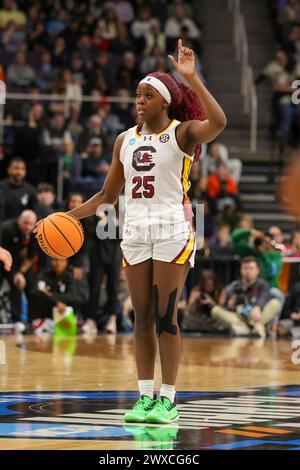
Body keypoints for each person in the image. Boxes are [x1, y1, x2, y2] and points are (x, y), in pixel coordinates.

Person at [34, 39, 226, 424]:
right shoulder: (125, 139)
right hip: (135, 232)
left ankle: (168, 400)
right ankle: (143, 398)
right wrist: (67, 217)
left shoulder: (183, 132)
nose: (139, 101)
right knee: (140, 317)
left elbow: (219, 123)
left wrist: (192, 77)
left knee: (165, 316)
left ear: (165, 101)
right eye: (137, 95)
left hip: (173, 229)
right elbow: (107, 195)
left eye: (147, 95)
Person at [211, 257, 281, 338]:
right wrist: (230, 305)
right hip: (240, 317)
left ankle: (247, 329)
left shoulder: (263, 285)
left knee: (275, 303)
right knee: (215, 310)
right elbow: (225, 306)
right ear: (241, 270)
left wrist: (258, 307)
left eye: (251, 268)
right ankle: (252, 329)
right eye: (245, 268)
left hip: (258, 316)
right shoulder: (234, 286)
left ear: (257, 270)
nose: (248, 271)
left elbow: (265, 296)